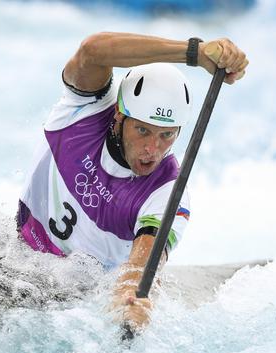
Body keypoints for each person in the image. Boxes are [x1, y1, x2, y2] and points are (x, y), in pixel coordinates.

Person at [17, 32, 248, 334]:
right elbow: (92, 50)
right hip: (14, 253)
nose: (153, 149)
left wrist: (132, 298)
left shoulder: (167, 191)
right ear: (118, 115)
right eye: (142, 130)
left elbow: (142, 263)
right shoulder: (84, 110)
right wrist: (195, 53)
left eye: (167, 135)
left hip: (69, 301)